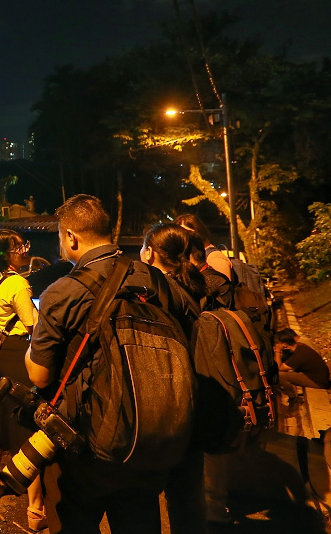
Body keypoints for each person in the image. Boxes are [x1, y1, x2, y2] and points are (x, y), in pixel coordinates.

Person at [26, 194, 197, 533]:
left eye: (60, 235)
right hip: (157, 436)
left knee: (76, 518)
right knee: (139, 518)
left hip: (91, 445)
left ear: (71, 237)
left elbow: (41, 376)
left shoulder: (64, 291)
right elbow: (189, 333)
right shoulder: (159, 282)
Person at [140, 223, 207, 533]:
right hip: (195, 399)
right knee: (187, 495)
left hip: (166, 402)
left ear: (151, 252)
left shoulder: (156, 294)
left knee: (144, 494)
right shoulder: (193, 285)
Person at [0, 229, 44, 531]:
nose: (25, 250)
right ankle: (35, 509)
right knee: (27, 427)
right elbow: (33, 325)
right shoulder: (17, 282)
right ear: (7, 253)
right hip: (17, 354)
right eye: (20, 247)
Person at [175, 213, 234, 281]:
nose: (183, 238)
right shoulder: (187, 258)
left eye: (187, 233)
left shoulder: (214, 258)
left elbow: (223, 287)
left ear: (199, 232)